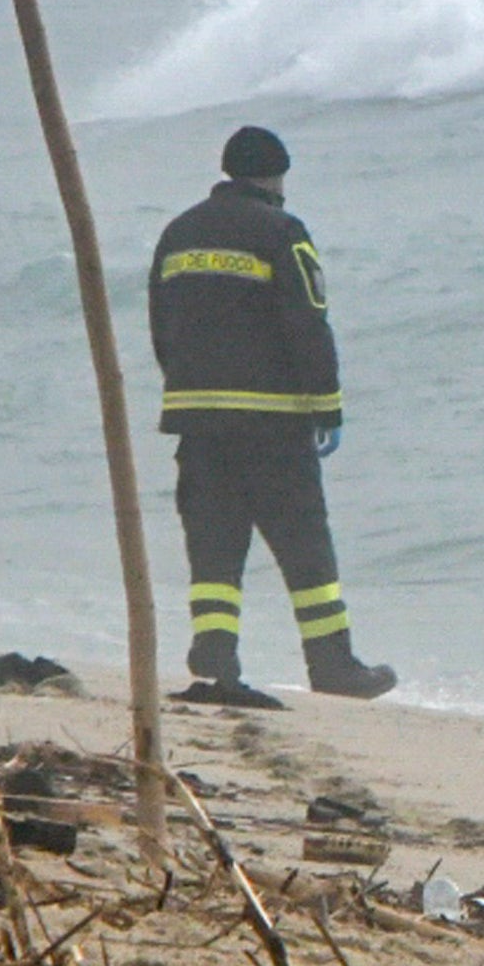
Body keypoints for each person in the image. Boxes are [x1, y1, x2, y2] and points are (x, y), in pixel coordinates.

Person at [149, 125, 394, 707]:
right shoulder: (283, 231)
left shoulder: (177, 233)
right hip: (272, 423)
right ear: (276, 177)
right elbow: (307, 321)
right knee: (304, 544)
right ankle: (333, 666)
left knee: (214, 544)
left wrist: (185, 386)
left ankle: (213, 655)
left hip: (198, 419)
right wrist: (326, 404)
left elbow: (161, 323)